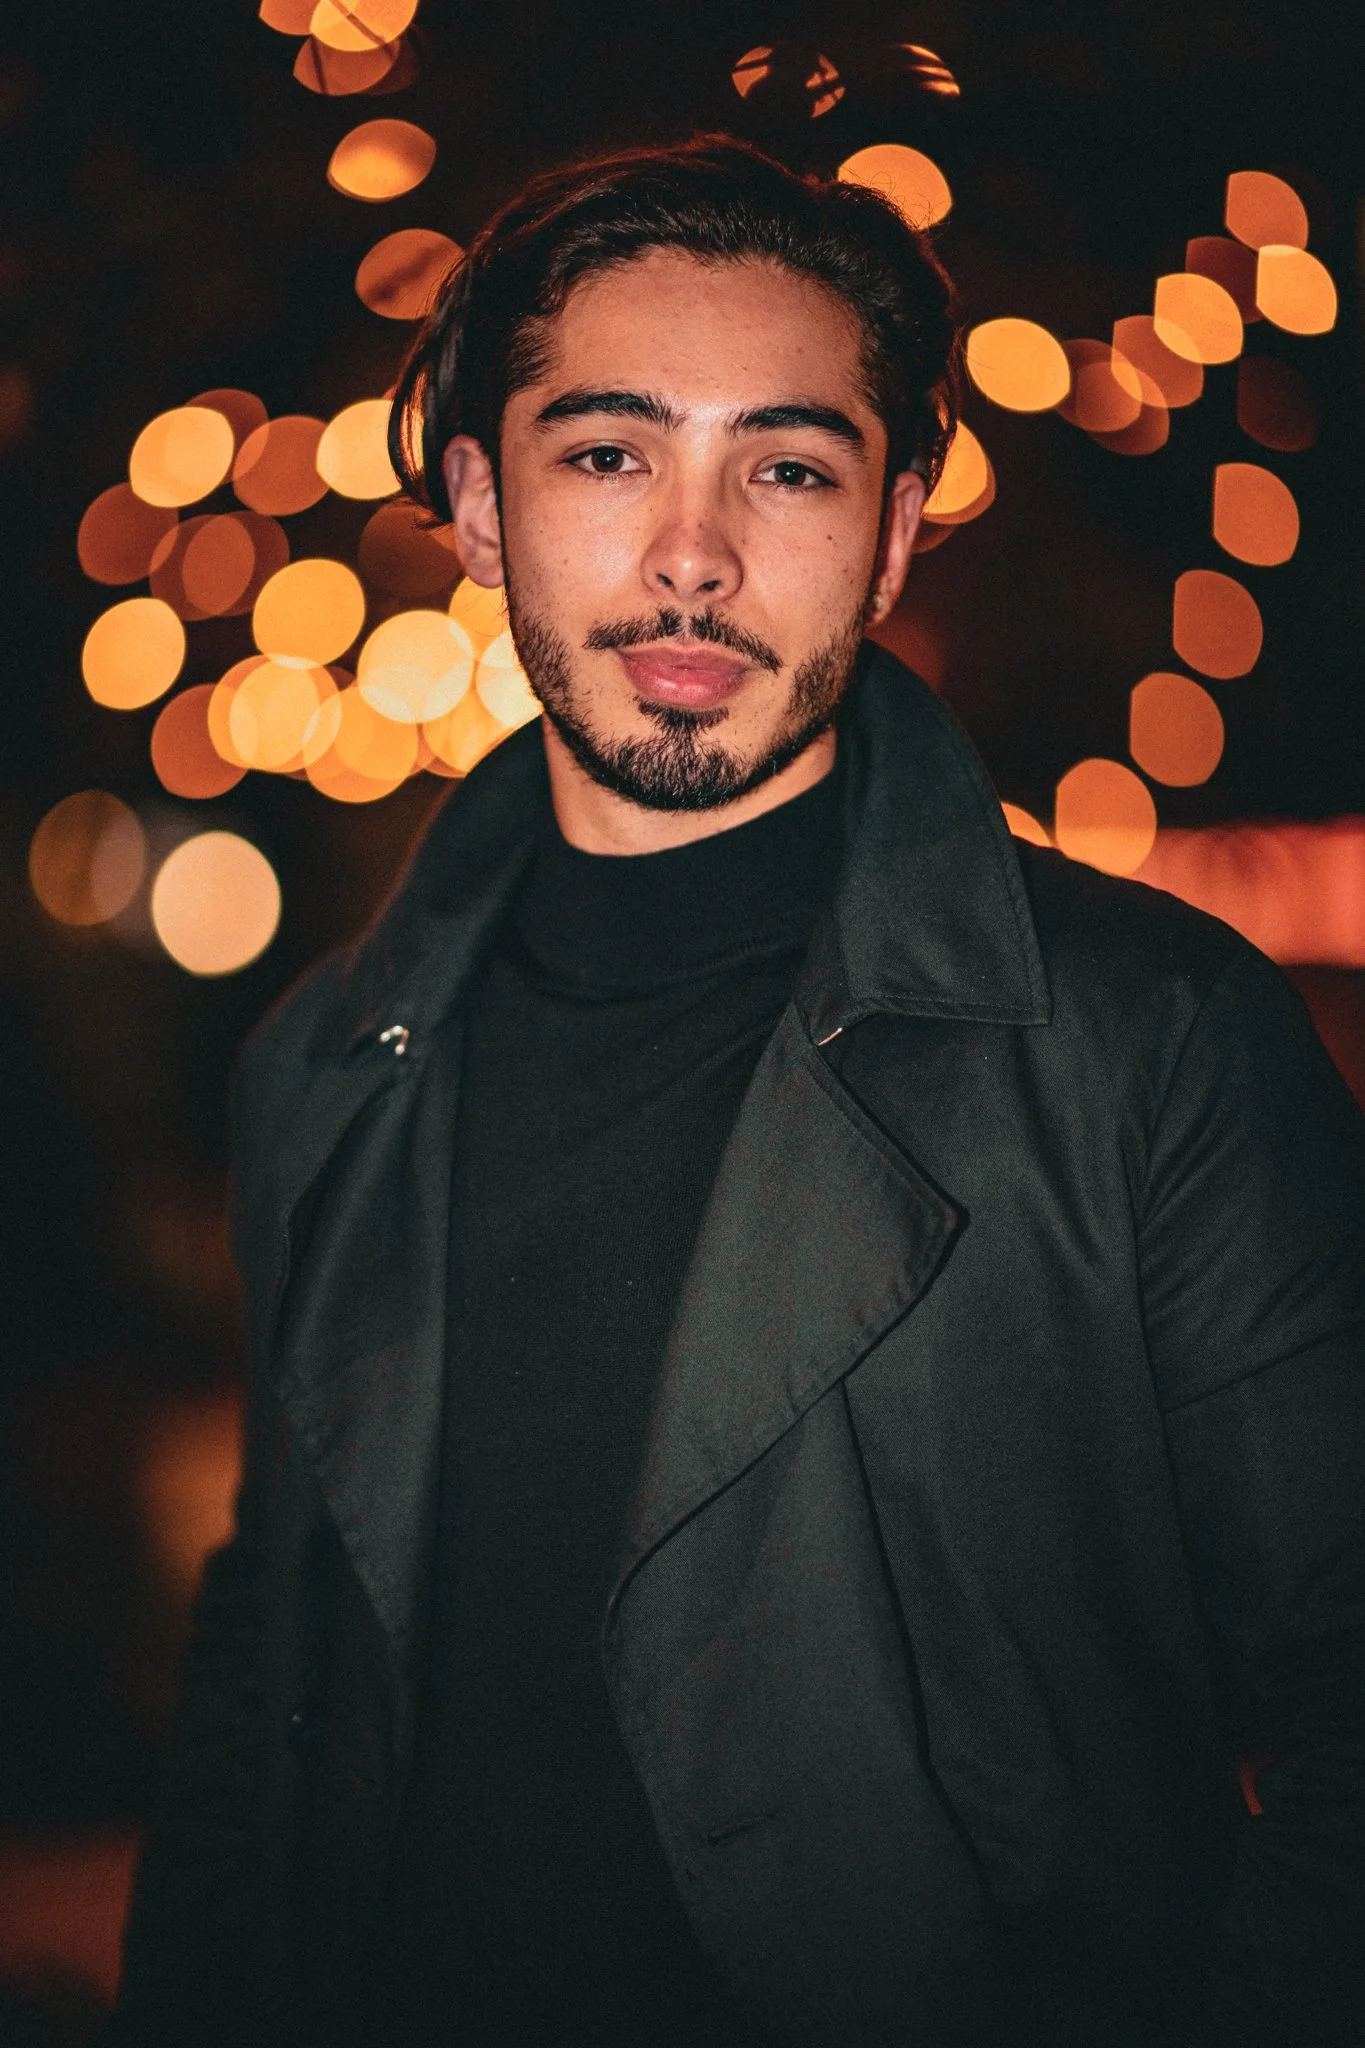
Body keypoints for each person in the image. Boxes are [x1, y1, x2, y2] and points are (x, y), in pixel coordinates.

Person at [107, 135, 1365, 2048]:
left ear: (897, 521)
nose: (694, 552)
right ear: (475, 502)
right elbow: (268, 1681)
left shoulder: (1153, 1043)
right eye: (608, 453)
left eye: (785, 466)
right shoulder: (325, 1061)